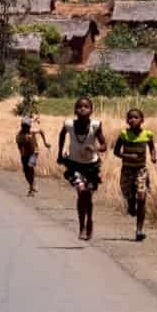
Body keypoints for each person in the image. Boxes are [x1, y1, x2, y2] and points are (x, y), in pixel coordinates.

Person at [56, 96, 107, 240]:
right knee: (81, 191)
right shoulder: (69, 125)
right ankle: (82, 226)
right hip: (74, 164)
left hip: (91, 166)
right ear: (75, 110)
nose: (82, 109)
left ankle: (89, 219)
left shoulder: (95, 125)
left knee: (88, 196)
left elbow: (104, 146)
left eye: (86, 107)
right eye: (79, 106)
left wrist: (95, 147)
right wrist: (59, 154)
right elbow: (61, 135)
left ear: (91, 110)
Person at [112, 106, 157, 241]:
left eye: (136, 117)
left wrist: (153, 157)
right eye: (130, 117)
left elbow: (152, 148)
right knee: (129, 196)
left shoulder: (147, 135)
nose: (133, 120)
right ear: (127, 120)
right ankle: (131, 205)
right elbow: (116, 151)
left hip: (141, 170)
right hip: (127, 170)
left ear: (142, 120)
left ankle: (139, 230)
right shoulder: (124, 135)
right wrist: (126, 156)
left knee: (142, 198)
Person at [15, 115, 50, 196]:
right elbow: (19, 146)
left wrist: (45, 143)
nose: (26, 127)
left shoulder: (32, 131)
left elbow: (41, 131)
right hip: (25, 154)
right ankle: (31, 186)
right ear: (21, 126)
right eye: (24, 126)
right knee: (26, 171)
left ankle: (32, 186)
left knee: (30, 165)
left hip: (34, 152)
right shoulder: (19, 136)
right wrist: (21, 153)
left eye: (27, 126)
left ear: (30, 126)